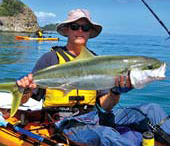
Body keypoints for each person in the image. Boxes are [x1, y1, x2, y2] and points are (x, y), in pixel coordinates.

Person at [16, 9, 170, 146]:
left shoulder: (98, 62)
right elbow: (26, 99)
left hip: (94, 116)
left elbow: (106, 106)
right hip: (64, 122)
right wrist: (24, 89)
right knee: (107, 135)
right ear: (67, 30)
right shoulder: (49, 59)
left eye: (85, 27)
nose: (80, 31)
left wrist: (116, 92)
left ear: (90, 32)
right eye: (75, 26)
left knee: (152, 109)